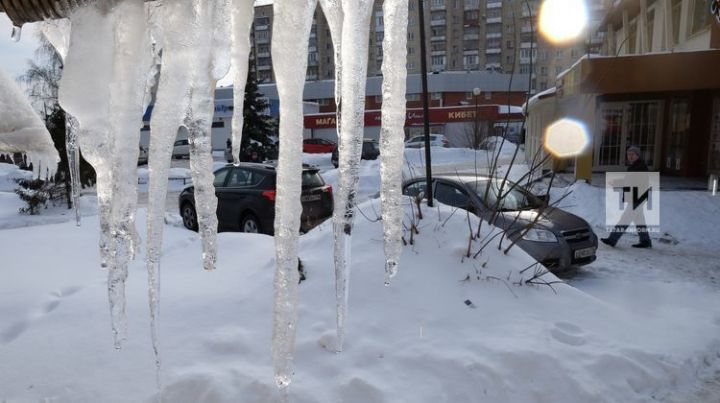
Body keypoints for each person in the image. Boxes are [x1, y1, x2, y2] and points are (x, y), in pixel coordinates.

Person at [601, 146, 652, 248]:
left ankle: (612, 239)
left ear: (638, 155)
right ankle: (645, 241)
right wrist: (616, 182)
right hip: (635, 197)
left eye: (633, 154)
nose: (630, 156)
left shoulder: (641, 167)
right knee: (639, 220)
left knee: (625, 219)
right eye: (629, 154)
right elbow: (628, 181)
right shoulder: (633, 167)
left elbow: (636, 182)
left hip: (638, 197)